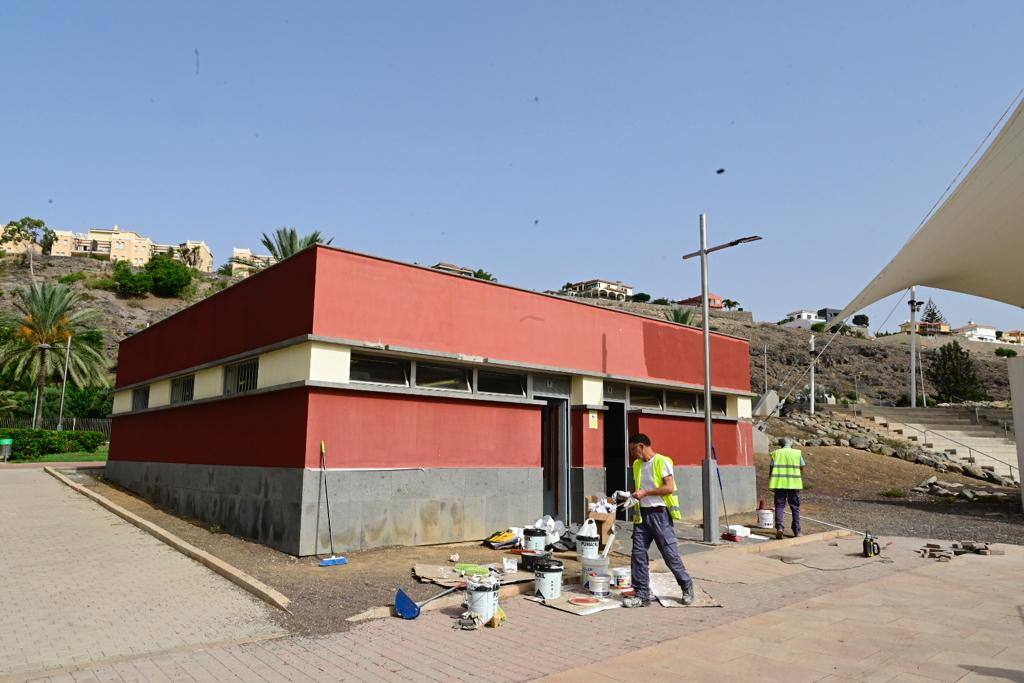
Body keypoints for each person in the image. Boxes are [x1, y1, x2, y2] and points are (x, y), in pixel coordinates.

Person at [622, 433, 695, 607]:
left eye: (633, 449)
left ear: (641, 446)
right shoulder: (637, 465)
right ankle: (642, 595)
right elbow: (639, 488)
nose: (632, 454)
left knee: (670, 555)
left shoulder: (662, 461)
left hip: (660, 516)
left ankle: (686, 585)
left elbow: (668, 487)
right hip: (642, 516)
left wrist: (646, 493)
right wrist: (629, 496)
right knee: (638, 555)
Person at [769, 437, 805, 539]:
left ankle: (779, 527)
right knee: (795, 507)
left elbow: (771, 468)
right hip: (794, 484)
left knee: (780, 506)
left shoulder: (776, 453)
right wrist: (798, 476)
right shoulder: (797, 453)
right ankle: (797, 531)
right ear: (791, 444)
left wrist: (771, 481)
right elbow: (802, 466)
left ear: (781, 444)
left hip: (779, 483)